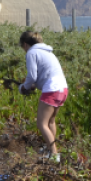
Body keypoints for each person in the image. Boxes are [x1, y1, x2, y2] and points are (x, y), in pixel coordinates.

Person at [18, 31, 68, 163]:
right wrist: (32, 85)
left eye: (23, 47)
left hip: (52, 89)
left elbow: (32, 76)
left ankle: (54, 155)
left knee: (41, 123)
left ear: (25, 44)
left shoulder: (32, 53)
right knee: (51, 121)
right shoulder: (48, 52)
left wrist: (24, 87)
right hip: (62, 89)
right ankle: (51, 151)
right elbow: (43, 76)